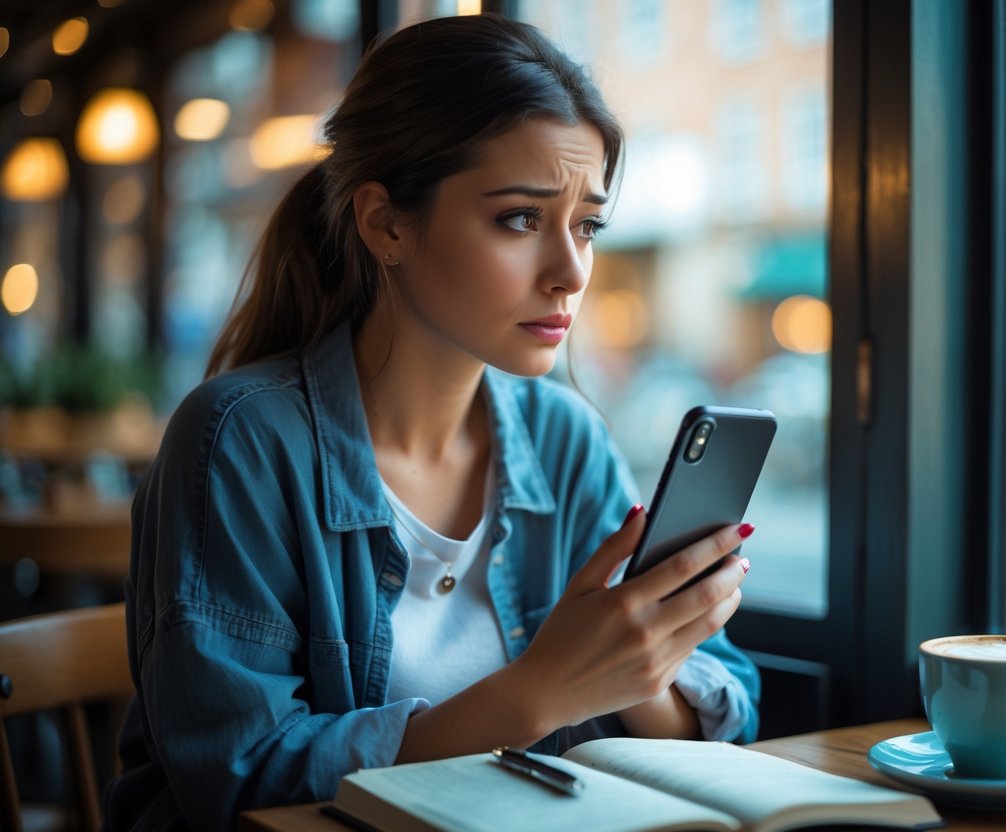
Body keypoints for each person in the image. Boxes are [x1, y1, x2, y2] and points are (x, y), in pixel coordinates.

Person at [104, 13, 759, 831]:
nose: (570, 272)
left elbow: (725, 711)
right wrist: (541, 691)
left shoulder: (565, 438)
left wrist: (642, 659)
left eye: (586, 224)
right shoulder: (239, 440)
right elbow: (240, 781)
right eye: (520, 218)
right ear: (385, 224)